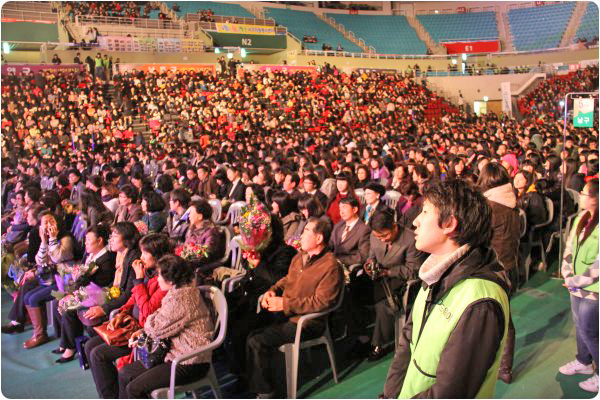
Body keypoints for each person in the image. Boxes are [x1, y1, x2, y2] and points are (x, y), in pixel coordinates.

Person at [383, 179, 510, 398]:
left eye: (424, 212)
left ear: (449, 224)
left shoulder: (480, 302)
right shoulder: (434, 273)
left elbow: (451, 391)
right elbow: (407, 346)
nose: (415, 221)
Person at [247, 217, 344, 398]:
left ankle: (267, 393)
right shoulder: (299, 257)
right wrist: (272, 291)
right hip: (287, 314)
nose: (301, 234)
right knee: (247, 327)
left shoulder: (330, 265)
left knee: (257, 340)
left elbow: (322, 302)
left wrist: (285, 304)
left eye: (306, 231)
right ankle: (257, 383)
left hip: (307, 322)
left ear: (319, 238)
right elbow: (286, 280)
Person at [117, 254, 214, 398]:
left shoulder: (182, 298)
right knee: (125, 373)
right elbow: (158, 320)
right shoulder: (177, 291)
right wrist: (149, 325)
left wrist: (149, 323)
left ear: (171, 279)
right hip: (173, 352)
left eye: (160, 275)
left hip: (189, 361)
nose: (157, 278)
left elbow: (155, 328)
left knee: (134, 389)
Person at [86, 233, 171, 398]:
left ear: (158, 255)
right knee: (90, 346)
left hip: (144, 332)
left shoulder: (163, 279)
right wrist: (121, 314)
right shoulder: (149, 272)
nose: (141, 257)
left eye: (145, 253)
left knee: (98, 354)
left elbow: (148, 313)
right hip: (131, 324)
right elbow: (132, 299)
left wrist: (139, 281)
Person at [225, 215, 296, 375]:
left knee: (240, 331)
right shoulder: (259, 250)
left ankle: (245, 376)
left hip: (270, 305)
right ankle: (234, 367)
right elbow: (250, 274)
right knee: (226, 316)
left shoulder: (285, 252)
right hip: (250, 297)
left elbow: (278, 280)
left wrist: (258, 264)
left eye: (258, 231)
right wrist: (248, 260)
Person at [362, 208, 426, 361]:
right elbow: (372, 256)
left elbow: (413, 270)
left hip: (399, 279)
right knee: (352, 291)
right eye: (378, 236)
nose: (382, 239)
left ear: (394, 226)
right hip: (378, 276)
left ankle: (378, 343)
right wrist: (370, 264)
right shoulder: (374, 235)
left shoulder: (410, 239)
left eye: (385, 235)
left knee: (383, 304)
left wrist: (388, 272)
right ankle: (361, 336)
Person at [477, 163, 520, 384]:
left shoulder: (491, 207)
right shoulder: (511, 202)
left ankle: (501, 366)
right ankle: (504, 366)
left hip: (494, 271)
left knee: (499, 321)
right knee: (502, 318)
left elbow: (478, 239)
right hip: (510, 268)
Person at [54, 224, 116, 363]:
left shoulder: (106, 260)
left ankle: (71, 348)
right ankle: (65, 343)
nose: (85, 243)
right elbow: (82, 277)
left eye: (88, 240)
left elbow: (99, 286)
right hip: (87, 293)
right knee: (58, 302)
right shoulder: (90, 255)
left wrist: (76, 290)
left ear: (100, 240)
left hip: (99, 296)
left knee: (68, 309)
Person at [559, 179, 598, 393]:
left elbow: (597, 267)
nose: (579, 195)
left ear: (595, 199)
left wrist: (574, 280)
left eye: (583, 192)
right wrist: (566, 272)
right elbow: (569, 247)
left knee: (590, 330)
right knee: (579, 324)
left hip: (594, 289)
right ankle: (583, 362)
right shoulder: (581, 218)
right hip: (575, 283)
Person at [23, 211, 76, 348]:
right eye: (45, 223)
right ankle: (39, 333)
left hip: (66, 281)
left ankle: (40, 335)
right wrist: (44, 241)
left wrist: (52, 239)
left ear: (56, 223)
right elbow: (40, 261)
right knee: (28, 297)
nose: (48, 225)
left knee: (34, 298)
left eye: (51, 221)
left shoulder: (65, 237)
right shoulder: (44, 239)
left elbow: (58, 257)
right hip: (51, 279)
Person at [184, 199, 225, 272]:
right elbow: (186, 246)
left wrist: (189, 256)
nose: (189, 216)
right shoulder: (191, 228)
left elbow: (207, 254)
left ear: (200, 216)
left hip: (204, 268)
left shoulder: (211, 232)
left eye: (191, 213)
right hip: (190, 262)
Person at [330, 196, 370, 268]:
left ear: (354, 209)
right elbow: (330, 244)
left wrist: (338, 260)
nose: (341, 212)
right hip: (332, 263)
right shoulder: (338, 225)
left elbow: (363, 256)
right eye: (340, 208)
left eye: (344, 207)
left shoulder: (364, 229)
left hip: (347, 267)